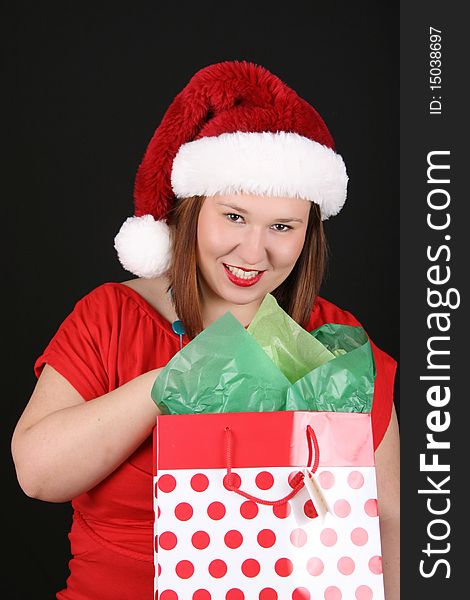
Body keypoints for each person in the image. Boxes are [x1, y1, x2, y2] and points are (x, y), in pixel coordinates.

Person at [11, 60, 400, 599]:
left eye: (282, 227)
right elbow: (38, 474)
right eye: (234, 217)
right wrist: (174, 378)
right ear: (191, 211)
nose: (253, 251)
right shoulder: (112, 316)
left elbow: (384, 519)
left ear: (309, 235)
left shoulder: (335, 339)